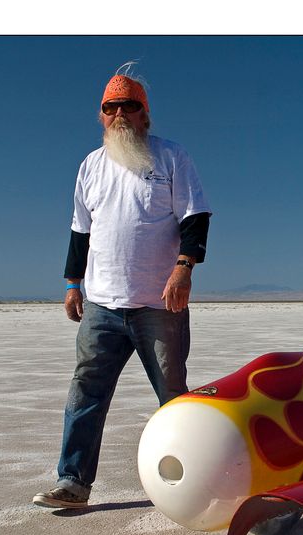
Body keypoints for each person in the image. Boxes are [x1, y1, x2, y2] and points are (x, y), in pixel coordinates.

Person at [33, 69, 211, 509]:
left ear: (145, 114)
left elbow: (195, 216)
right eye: (110, 107)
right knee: (86, 391)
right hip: (101, 305)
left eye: (129, 105)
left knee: (173, 397)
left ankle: (198, 483)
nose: (120, 114)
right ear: (101, 115)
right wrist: (73, 283)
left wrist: (184, 267)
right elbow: (80, 231)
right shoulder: (90, 166)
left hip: (158, 303)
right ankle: (73, 481)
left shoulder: (171, 157)